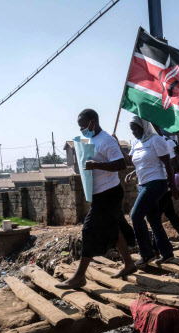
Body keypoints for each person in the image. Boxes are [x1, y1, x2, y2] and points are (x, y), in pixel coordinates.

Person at [56, 109, 137, 288]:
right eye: (80, 127)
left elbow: (122, 164)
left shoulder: (106, 141)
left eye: (84, 126)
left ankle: (80, 276)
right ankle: (129, 263)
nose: (82, 130)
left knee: (88, 229)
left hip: (109, 194)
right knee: (114, 230)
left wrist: (96, 165)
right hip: (100, 194)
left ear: (93, 122)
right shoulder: (90, 140)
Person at [118, 116, 179, 267]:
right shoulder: (137, 143)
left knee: (135, 215)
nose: (134, 132)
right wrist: (117, 145)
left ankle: (146, 254)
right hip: (143, 184)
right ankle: (167, 253)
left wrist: (173, 187)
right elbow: (129, 161)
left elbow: (168, 165)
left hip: (156, 183)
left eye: (136, 128)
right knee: (153, 220)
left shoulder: (156, 140)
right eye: (132, 129)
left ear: (144, 127)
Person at [153, 125, 179, 249]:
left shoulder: (167, 142)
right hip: (158, 181)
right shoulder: (153, 141)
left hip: (165, 183)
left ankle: (157, 246)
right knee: (169, 213)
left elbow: (173, 161)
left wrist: (172, 182)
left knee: (155, 214)